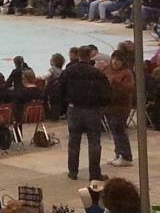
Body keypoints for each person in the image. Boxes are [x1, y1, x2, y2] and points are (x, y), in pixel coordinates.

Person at [58, 45, 111, 181]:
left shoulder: (69, 71)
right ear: (90, 56)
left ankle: (73, 171)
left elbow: (59, 89)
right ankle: (94, 173)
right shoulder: (96, 73)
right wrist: (101, 105)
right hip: (92, 110)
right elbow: (106, 93)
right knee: (94, 142)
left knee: (74, 141)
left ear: (78, 55)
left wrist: (66, 104)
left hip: (74, 109)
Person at [104, 49, 135, 167]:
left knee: (119, 129)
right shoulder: (107, 69)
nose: (115, 62)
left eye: (118, 60)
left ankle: (126, 155)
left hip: (121, 106)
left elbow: (130, 89)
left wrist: (116, 83)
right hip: (109, 105)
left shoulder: (127, 73)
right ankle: (118, 154)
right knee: (113, 130)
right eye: (114, 59)